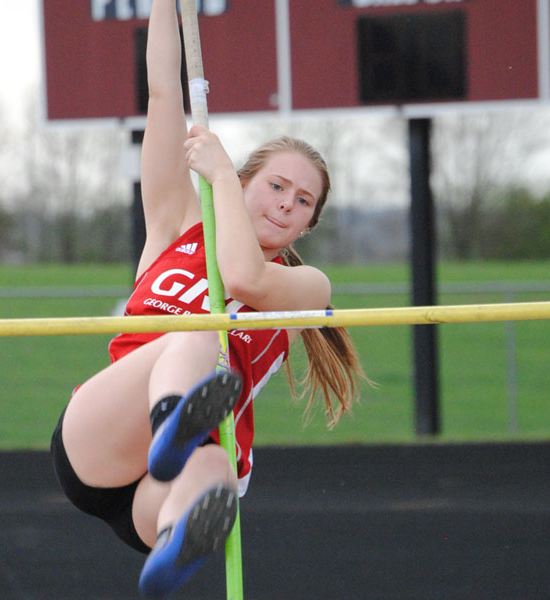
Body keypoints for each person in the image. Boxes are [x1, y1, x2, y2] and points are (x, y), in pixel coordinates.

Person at [50, 0, 366, 596]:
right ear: (250, 181)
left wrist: (222, 176)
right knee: (199, 331)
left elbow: (245, 280)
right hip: (104, 439)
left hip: (161, 493)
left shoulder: (308, 287)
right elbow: (163, 96)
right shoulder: (177, 223)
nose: (285, 204)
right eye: (276, 185)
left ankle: (173, 544)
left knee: (220, 468)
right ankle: (172, 420)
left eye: (303, 202)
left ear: (308, 225)